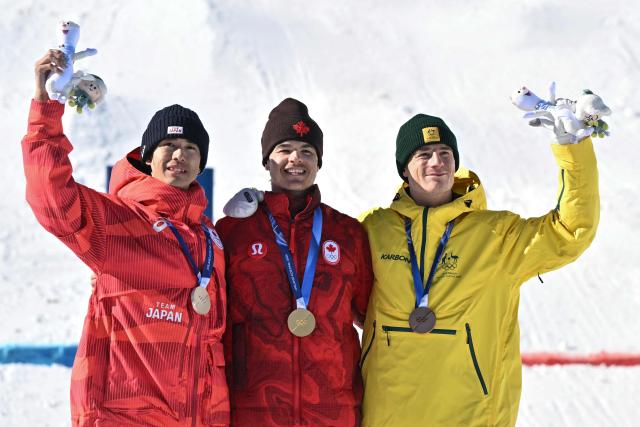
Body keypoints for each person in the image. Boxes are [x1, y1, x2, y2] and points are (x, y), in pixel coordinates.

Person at [23, 50, 229, 426]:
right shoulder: (119, 221)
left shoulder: (209, 239)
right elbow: (50, 197)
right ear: (148, 157)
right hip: (125, 417)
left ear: (201, 164)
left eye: (191, 149)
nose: (179, 156)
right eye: (169, 146)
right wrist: (46, 108)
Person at [358, 114, 600, 426]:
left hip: (471, 415)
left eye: (446, 154)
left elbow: (569, 231)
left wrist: (574, 151)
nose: (438, 162)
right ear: (404, 168)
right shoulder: (373, 228)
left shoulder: (497, 235)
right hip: (385, 414)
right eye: (424, 154)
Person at [215, 98, 373, 426]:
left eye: (307, 151)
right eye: (284, 149)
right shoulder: (233, 231)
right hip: (252, 409)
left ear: (318, 162)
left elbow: (373, 312)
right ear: (267, 160)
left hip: (332, 408)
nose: (295, 159)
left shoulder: (347, 233)